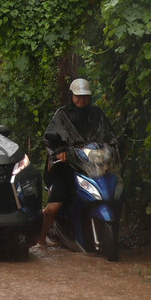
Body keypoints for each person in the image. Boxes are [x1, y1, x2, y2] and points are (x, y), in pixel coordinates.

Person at [37, 77, 117, 248]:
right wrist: (60, 153)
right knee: (54, 206)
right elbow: (49, 138)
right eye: (78, 96)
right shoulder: (62, 115)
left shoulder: (97, 114)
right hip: (66, 167)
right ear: (71, 96)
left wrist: (109, 150)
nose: (82, 99)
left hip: (92, 164)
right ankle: (41, 240)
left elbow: (109, 136)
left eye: (85, 96)